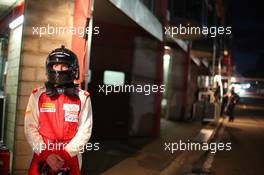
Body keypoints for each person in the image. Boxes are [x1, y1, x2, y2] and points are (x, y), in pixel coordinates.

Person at [24, 45, 93, 175]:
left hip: (70, 155)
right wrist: (46, 154)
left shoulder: (82, 97)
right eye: (56, 66)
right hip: (42, 153)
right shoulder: (37, 95)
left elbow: (85, 130)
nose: (59, 70)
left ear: (73, 69)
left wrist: (65, 154)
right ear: (49, 68)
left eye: (64, 66)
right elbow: (30, 127)